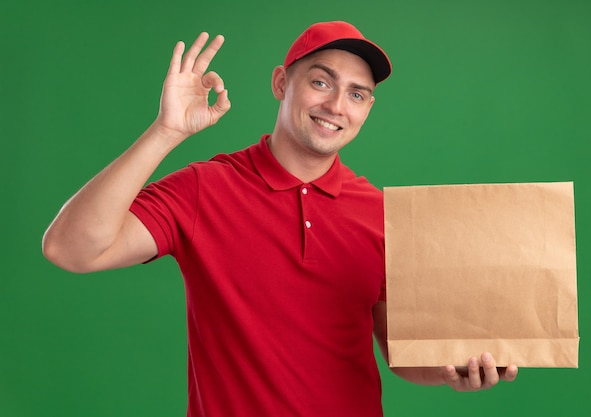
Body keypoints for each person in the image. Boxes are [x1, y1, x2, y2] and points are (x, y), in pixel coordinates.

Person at [42, 21, 517, 416]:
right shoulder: (206, 187)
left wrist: (454, 373)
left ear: (368, 108)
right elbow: (71, 249)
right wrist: (165, 132)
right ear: (280, 83)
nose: (335, 106)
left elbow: (403, 354)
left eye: (357, 94)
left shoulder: (381, 213)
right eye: (321, 81)